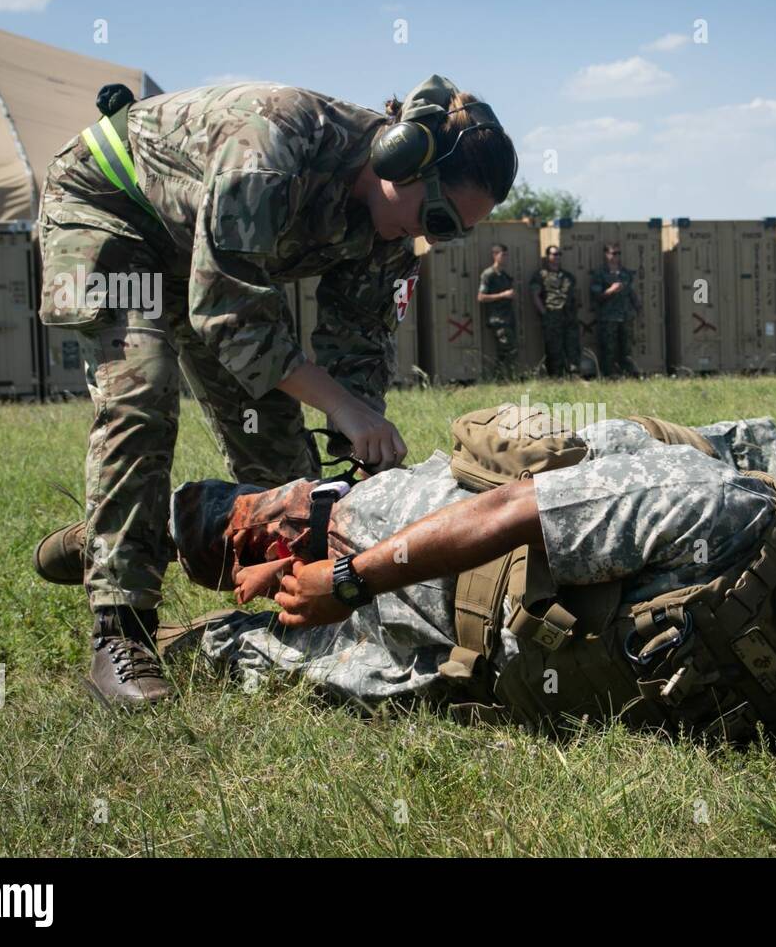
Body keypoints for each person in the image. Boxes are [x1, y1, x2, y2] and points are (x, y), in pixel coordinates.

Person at [168, 410, 776, 786]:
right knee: (272, 543)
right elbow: (514, 508)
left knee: (248, 653)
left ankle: (178, 622)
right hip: (430, 543)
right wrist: (350, 577)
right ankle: (168, 526)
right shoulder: (717, 511)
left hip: (461, 668)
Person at [30, 74, 517, 707]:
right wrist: (342, 405)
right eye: (438, 217)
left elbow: (358, 348)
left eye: (451, 231)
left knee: (285, 468)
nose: (432, 234)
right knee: (142, 394)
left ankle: (155, 533)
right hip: (112, 211)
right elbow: (226, 312)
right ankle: (121, 630)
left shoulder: (390, 230)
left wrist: (358, 455)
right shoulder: (273, 144)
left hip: (202, 259)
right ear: (403, 160)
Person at [589, 242, 640, 378]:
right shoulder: (600, 273)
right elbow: (597, 296)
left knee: (626, 348)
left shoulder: (626, 273)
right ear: (606, 254)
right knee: (609, 349)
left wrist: (637, 308)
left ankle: (628, 375)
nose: (616, 256)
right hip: (608, 317)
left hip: (626, 316)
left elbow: (630, 292)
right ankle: (609, 376)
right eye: (613, 253)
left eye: (618, 253)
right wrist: (611, 290)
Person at [529, 245, 580, 377]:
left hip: (569, 317)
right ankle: (556, 377)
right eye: (554, 254)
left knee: (572, 346)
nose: (557, 257)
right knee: (554, 349)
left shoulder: (568, 276)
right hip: (552, 317)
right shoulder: (540, 275)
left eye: (559, 254)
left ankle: (574, 375)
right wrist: (545, 314)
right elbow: (535, 296)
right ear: (548, 257)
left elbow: (574, 296)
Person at [477, 244, 519, 380]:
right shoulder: (488, 274)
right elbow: (481, 297)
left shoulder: (505, 274)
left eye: (507, 255)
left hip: (508, 317)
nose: (505, 258)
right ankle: (501, 378)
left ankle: (503, 378)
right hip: (498, 319)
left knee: (507, 350)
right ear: (495, 255)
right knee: (507, 349)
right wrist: (503, 295)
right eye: (503, 255)